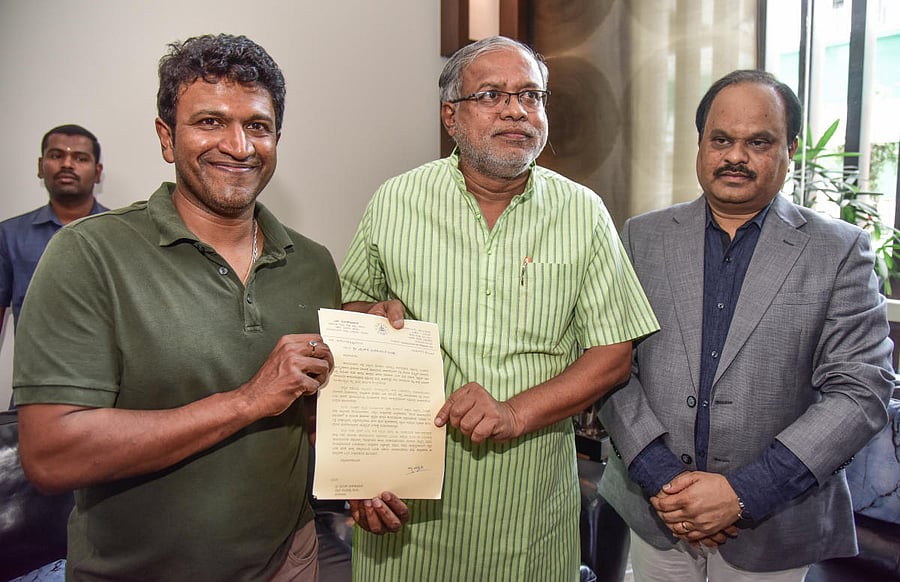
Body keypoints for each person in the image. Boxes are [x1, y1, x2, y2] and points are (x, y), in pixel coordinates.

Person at [13, 34, 340, 581]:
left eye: (257, 126)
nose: (238, 145)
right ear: (167, 138)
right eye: (209, 122)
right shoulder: (88, 254)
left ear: (277, 137)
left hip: (289, 561)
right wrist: (248, 400)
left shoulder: (312, 263)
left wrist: (369, 475)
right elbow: (51, 456)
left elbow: (307, 418)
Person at [339, 35, 659, 582]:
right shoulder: (394, 201)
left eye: (530, 95)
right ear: (451, 117)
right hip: (407, 507)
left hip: (529, 511)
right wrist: (372, 312)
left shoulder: (582, 212)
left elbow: (613, 356)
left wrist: (514, 413)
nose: (515, 109)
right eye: (491, 95)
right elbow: (353, 321)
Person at [598, 69, 895, 581]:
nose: (735, 156)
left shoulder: (840, 250)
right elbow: (610, 364)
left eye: (759, 142)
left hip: (773, 526)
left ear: (790, 149)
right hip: (656, 513)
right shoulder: (641, 237)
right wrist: (661, 479)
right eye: (721, 140)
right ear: (700, 145)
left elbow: (860, 390)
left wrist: (743, 494)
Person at [0, 124, 108, 336]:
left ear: (97, 172)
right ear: (41, 166)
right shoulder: (9, 235)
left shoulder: (122, 232)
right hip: (35, 368)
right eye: (56, 155)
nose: (67, 164)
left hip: (108, 368)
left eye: (80, 158)